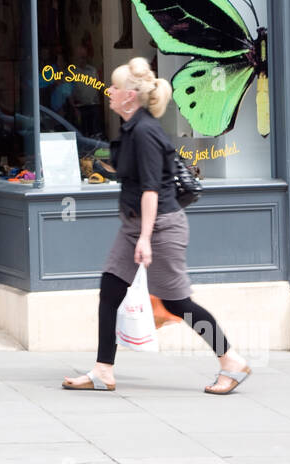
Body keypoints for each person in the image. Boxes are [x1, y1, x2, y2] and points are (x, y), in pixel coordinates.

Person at [63, 56, 252, 395]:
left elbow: (151, 189)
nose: (109, 91)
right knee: (110, 290)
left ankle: (231, 360)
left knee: (178, 302)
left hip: (161, 227)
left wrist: (145, 239)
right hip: (135, 225)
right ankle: (103, 371)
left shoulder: (146, 133)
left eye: (115, 87)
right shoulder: (131, 128)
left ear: (130, 96)